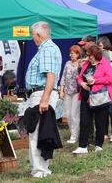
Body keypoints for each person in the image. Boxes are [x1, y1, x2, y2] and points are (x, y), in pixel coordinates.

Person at [25, 21, 62, 178]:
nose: (33, 39)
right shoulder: (49, 48)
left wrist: (44, 99)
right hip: (42, 94)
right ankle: (41, 168)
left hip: (42, 94)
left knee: (37, 131)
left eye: (33, 35)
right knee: (42, 131)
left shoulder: (47, 49)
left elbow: (50, 76)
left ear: (39, 35)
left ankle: (40, 170)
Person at [73, 44, 112, 154]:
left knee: (100, 122)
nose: (89, 57)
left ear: (96, 54)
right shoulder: (86, 64)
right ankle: (82, 146)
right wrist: (82, 83)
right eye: (88, 55)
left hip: (100, 97)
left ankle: (99, 145)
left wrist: (95, 81)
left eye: (90, 55)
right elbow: (80, 77)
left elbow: (110, 79)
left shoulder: (105, 63)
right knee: (84, 121)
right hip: (86, 97)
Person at [59, 45, 82, 144]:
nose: (70, 55)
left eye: (72, 53)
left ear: (77, 54)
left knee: (74, 114)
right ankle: (72, 132)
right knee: (68, 114)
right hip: (67, 91)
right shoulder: (67, 63)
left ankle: (74, 135)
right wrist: (61, 90)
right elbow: (63, 76)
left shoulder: (81, 63)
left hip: (77, 92)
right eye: (70, 53)